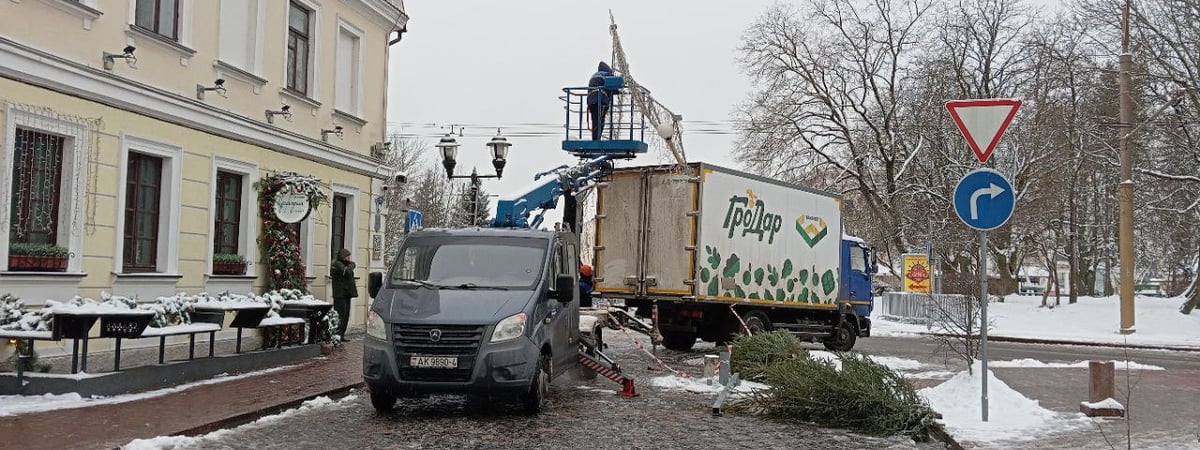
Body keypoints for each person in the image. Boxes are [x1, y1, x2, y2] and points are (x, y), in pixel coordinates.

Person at [330, 248, 357, 341]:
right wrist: (352, 265)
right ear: (343, 257)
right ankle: (337, 334)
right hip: (340, 294)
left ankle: (341, 334)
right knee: (340, 315)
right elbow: (347, 272)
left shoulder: (345, 264)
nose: (349, 258)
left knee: (346, 315)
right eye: (347, 256)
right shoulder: (337, 264)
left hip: (346, 293)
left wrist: (351, 265)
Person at [587, 62, 618, 140]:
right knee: (600, 120)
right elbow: (614, 87)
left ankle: (595, 138)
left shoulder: (595, 75)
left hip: (591, 100)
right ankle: (596, 139)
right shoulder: (607, 75)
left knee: (595, 119)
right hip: (600, 99)